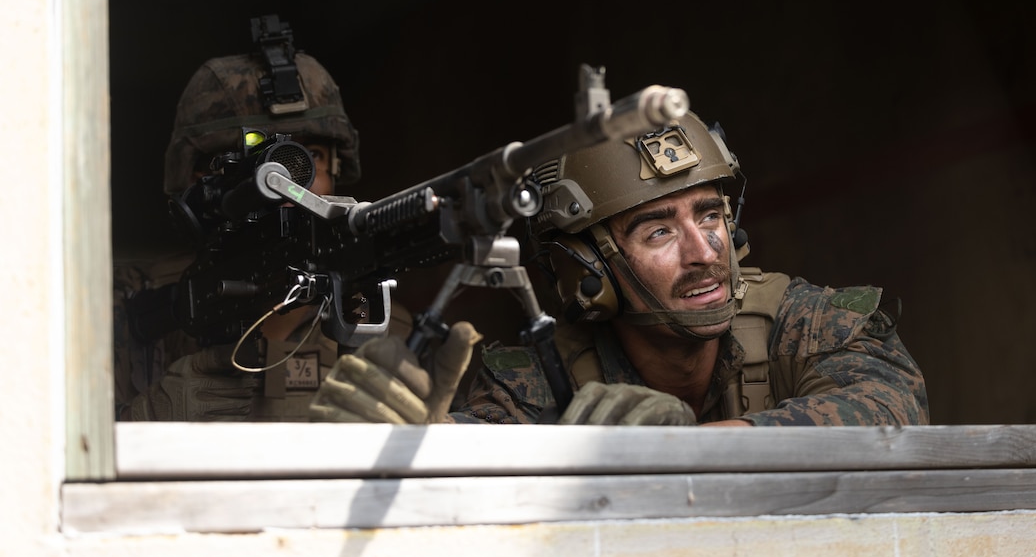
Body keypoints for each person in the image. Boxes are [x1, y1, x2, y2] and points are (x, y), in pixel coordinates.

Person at [308, 110, 929, 427]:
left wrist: (692, 450)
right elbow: (488, 468)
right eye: (659, 230)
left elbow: (892, 406)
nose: (704, 250)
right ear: (585, 269)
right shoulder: (534, 377)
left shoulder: (806, 320)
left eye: (709, 216)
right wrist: (425, 444)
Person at [114, 15, 410, 422]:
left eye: (310, 159)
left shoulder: (382, 322)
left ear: (337, 171)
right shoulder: (114, 314)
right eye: (256, 164)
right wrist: (143, 426)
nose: (288, 186)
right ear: (196, 181)